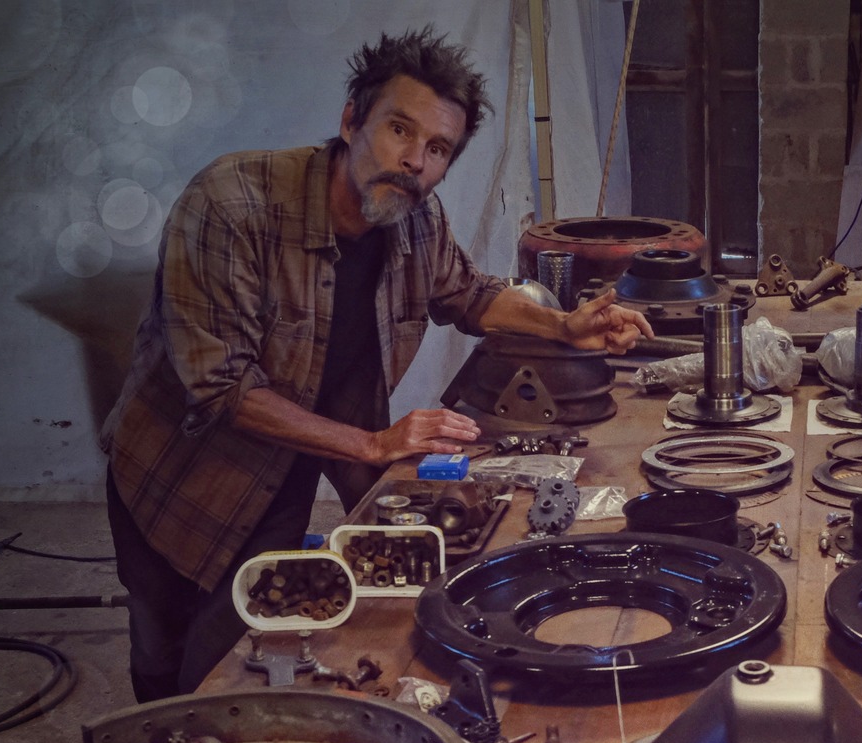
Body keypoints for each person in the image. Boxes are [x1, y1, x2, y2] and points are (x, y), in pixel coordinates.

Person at [102, 27, 652, 702]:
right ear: (350, 122)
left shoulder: (415, 220)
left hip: (285, 471)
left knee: (232, 660)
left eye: (438, 148)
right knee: (161, 655)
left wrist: (563, 325)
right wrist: (373, 444)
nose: (414, 160)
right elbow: (220, 387)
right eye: (399, 129)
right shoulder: (230, 204)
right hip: (180, 479)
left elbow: (469, 294)